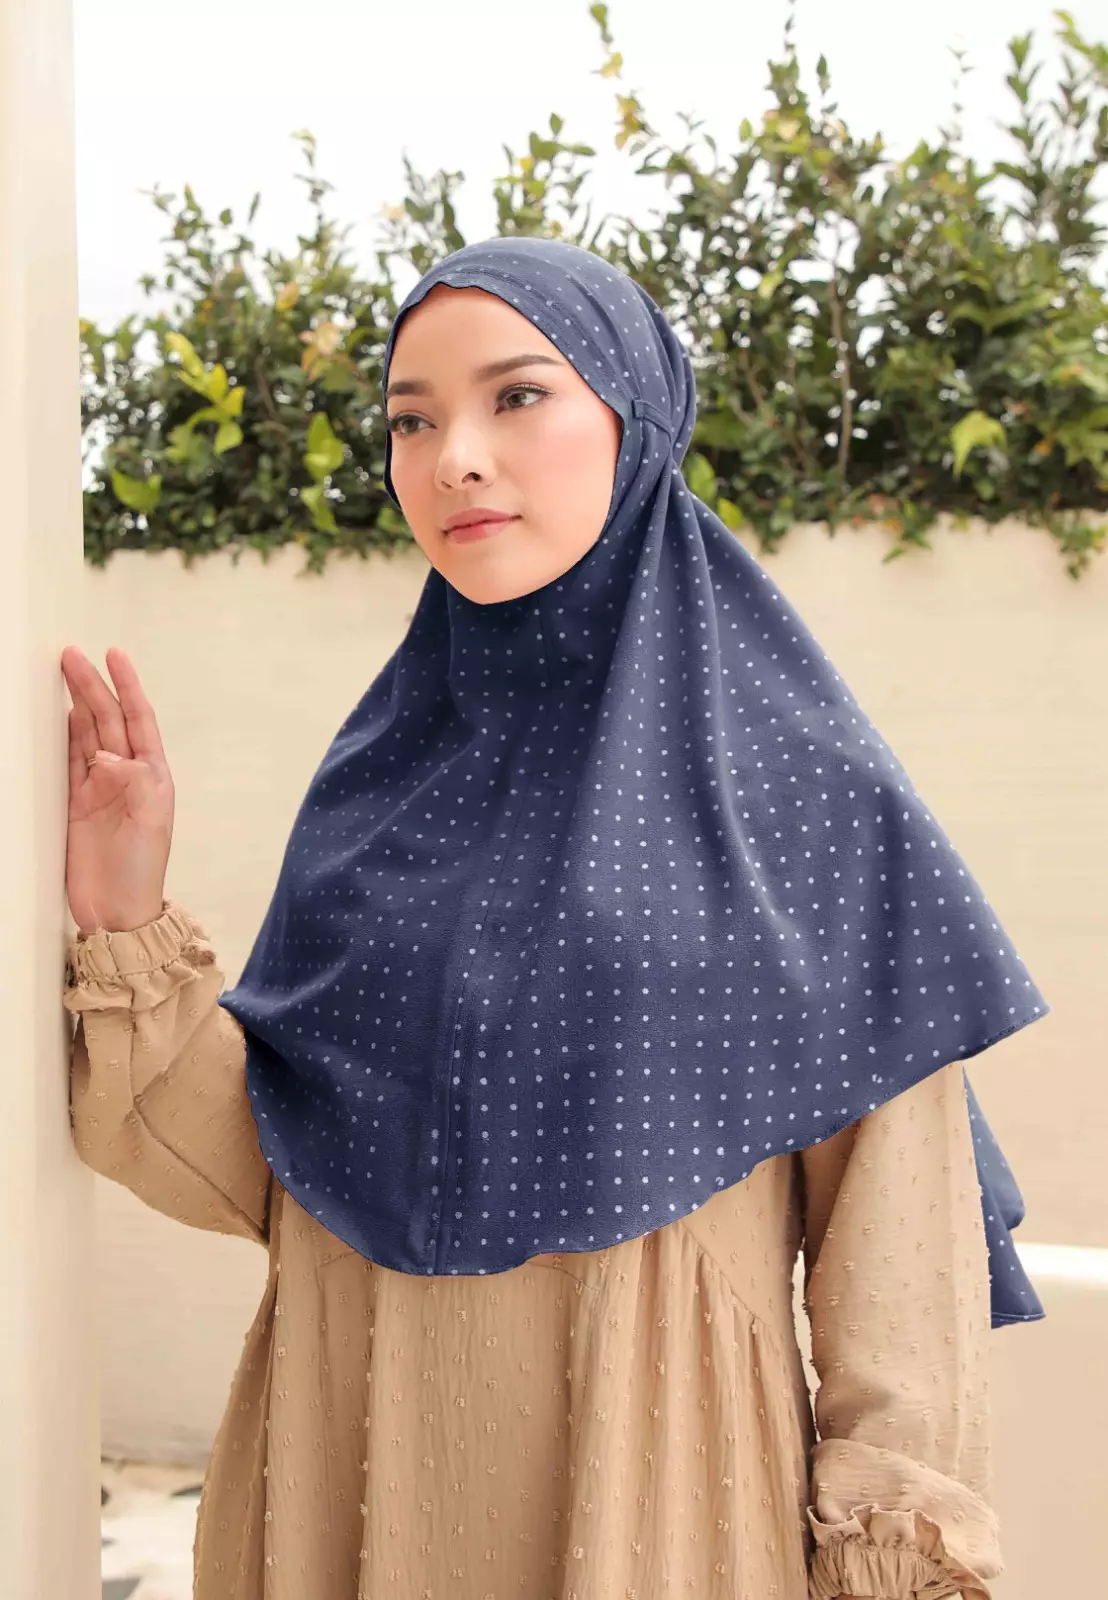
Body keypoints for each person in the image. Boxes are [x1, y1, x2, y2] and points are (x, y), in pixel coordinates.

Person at [61, 236, 1048, 1600]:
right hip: (343, 1472)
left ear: (635, 422)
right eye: (411, 420)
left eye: (517, 396)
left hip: (653, 1511)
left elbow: (903, 1259)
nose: (453, 458)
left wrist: (892, 1552)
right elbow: (274, 1177)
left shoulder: (802, 793)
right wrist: (125, 914)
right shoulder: (376, 793)